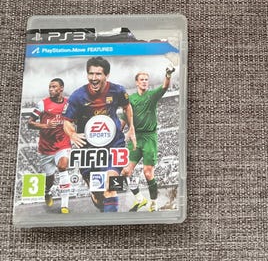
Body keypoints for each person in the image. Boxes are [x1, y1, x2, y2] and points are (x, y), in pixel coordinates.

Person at [63, 57, 136, 212]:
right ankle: (99, 201)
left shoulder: (118, 91)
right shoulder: (78, 96)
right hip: (88, 150)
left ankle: (112, 222)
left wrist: (131, 128)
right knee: (98, 193)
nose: (94, 78)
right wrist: (73, 134)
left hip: (113, 145)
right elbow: (67, 122)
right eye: (91, 74)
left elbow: (127, 107)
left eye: (98, 74)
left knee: (110, 187)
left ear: (106, 75)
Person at [122, 67, 175, 212]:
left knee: (148, 172)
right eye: (142, 80)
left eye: (146, 80)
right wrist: (117, 133)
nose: (145, 82)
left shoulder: (151, 95)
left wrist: (168, 75)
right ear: (136, 82)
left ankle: (153, 202)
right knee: (125, 171)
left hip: (149, 138)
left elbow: (164, 86)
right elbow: (125, 118)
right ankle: (140, 199)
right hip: (135, 138)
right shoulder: (131, 99)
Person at [28, 78, 71, 214]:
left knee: (63, 167)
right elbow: (29, 123)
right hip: (46, 147)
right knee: (50, 179)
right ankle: (47, 191)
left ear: (61, 88)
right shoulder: (43, 104)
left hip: (63, 143)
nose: (51, 89)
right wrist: (45, 125)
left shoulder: (68, 104)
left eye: (54, 87)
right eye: (50, 87)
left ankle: (64, 205)